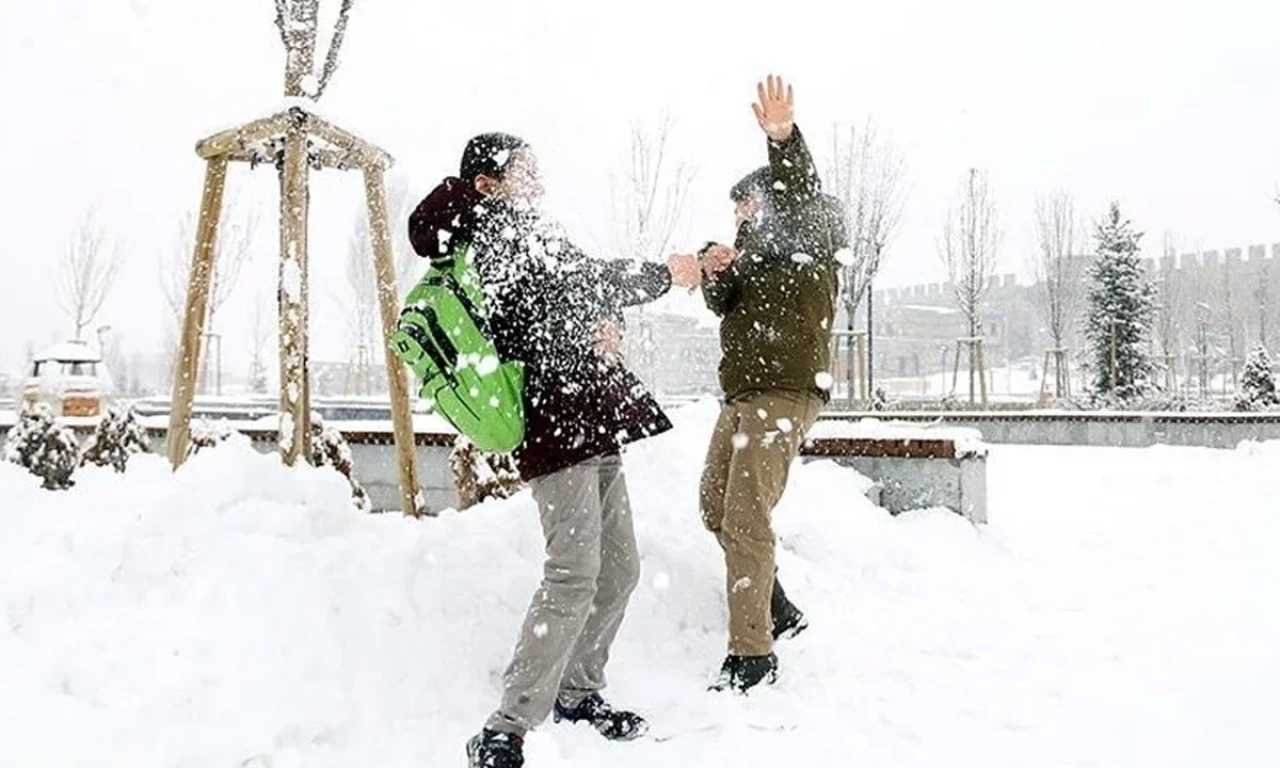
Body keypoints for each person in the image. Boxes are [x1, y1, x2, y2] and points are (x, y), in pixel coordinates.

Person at [408, 133, 702, 768]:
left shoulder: (529, 227)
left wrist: (607, 326)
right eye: (523, 169)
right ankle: (505, 727)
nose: (537, 176)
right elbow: (574, 286)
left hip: (589, 413)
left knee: (619, 570)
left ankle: (578, 692)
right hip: (553, 420)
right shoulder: (493, 232)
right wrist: (663, 275)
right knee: (572, 573)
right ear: (489, 183)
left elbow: (572, 298)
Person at [681, 76, 849, 693]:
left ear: (770, 200)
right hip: (745, 395)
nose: (740, 215)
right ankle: (777, 606)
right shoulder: (751, 255)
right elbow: (722, 301)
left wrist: (782, 137)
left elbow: (800, 190)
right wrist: (713, 261)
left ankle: (752, 655)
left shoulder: (809, 231)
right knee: (713, 504)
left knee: (747, 516)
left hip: (785, 392)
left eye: (746, 205)